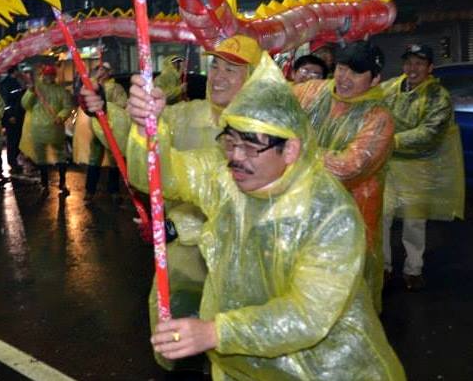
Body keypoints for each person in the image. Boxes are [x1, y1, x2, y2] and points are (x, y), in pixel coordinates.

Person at [123, 51, 405, 380]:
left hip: (321, 370)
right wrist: (146, 130)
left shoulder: (330, 214)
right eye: (230, 141)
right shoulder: (223, 178)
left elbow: (307, 315)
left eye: (252, 144)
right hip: (239, 365)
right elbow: (158, 176)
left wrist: (215, 333)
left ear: (291, 149)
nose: (236, 157)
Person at [84, 34, 262, 372]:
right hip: (183, 255)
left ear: (252, 78)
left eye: (232, 70)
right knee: (175, 329)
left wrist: (175, 225)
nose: (219, 76)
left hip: (237, 259)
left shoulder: (264, 134)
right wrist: (115, 113)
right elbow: (141, 155)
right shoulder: (187, 114)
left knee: (232, 343)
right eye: (216, 66)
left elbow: (240, 201)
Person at [293, 41, 395, 310]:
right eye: (341, 67)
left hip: (352, 215)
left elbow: (349, 168)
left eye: (356, 72)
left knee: (347, 289)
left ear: (375, 79)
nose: (344, 77)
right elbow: (274, 107)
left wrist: (294, 150)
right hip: (302, 207)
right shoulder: (313, 92)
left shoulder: (378, 117)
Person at [382, 44, 465, 291]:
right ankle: (384, 267)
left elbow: (430, 133)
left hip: (418, 168)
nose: (412, 68)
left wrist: (391, 141)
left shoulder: (438, 96)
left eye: (419, 63)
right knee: (382, 218)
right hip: (387, 166)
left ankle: (413, 269)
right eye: (409, 63)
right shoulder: (390, 88)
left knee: (414, 221)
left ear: (430, 68)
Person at [76, 62, 128, 204]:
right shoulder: (93, 84)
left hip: (112, 129)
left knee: (114, 161)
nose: (101, 71)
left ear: (109, 72)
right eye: (99, 69)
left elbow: (122, 104)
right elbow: (85, 95)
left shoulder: (116, 87)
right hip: (96, 128)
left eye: (104, 69)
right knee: (94, 160)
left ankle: (115, 191)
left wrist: (108, 108)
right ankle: (90, 191)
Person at [20, 64, 73, 196]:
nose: (49, 77)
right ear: (43, 75)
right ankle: (46, 184)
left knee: (58, 157)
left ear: (54, 76)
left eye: (51, 74)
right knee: (43, 158)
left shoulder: (60, 90)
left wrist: (61, 117)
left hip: (54, 128)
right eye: (47, 74)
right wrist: (31, 92)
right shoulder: (37, 89)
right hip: (41, 128)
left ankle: (60, 183)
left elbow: (67, 106)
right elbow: (25, 104)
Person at [0, 66, 26, 174]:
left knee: (17, 139)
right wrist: (10, 116)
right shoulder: (6, 84)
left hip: (18, 115)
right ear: (15, 71)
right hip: (12, 117)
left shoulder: (15, 82)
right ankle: (12, 162)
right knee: (12, 141)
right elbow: (6, 102)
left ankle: (15, 161)